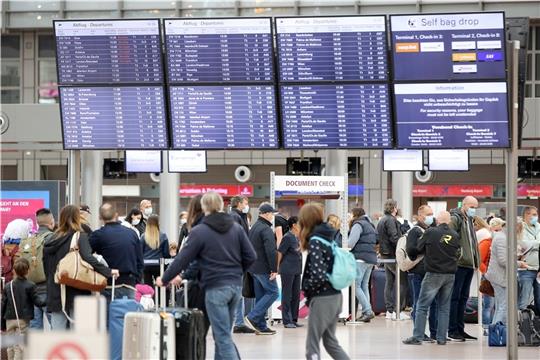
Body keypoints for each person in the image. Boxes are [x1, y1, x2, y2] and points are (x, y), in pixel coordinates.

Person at [156, 191, 257, 360]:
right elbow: (251, 256)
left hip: (215, 287)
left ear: (204, 207)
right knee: (222, 334)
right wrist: (237, 271)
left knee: (222, 337)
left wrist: (165, 278)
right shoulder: (236, 227)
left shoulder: (200, 231)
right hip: (235, 287)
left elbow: (182, 258)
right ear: (221, 205)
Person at [43, 205, 114, 329]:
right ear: (77, 217)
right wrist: (108, 272)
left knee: (57, 332)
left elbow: (46, 267)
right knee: (78, 332)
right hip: (77, 287)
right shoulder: (80, 236)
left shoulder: (51, 239)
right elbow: (88, 257)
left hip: (55, 290)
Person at [299, 203, 349, 360]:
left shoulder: (315, 240)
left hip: (322, 298)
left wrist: (308, 290)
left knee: (312, 345)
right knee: (330, 342)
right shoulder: (328, 237)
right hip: (335, 296)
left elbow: (318, 274)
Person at [402, 211, 461, 346]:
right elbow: (457, 253)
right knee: (444, 307)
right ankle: (441, 338)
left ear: (438, 220)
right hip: (450, 274)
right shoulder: (455, 235)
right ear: (449, 221)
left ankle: (417, 337)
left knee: (422, 306)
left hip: (433, 273)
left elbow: (417, 247)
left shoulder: (431, 232)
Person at [89, 203, 143, 300]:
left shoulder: (98, 235)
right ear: (116, 215)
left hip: (108, 284)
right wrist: (136, 280)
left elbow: (87, 255)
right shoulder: (132, 233)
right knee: (128, 314)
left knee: (108, 314)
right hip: (129, 284)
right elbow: (140, 261)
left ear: (100, 217)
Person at [448, 196, 480, 341]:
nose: (474, 209)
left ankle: (460, 329)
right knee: (455, 297)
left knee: (463, 298)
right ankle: (452, 329)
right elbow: (448, 238)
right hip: (460, 264)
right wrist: (458, 255)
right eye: (472, 206)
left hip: (469, 264)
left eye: (476, 207)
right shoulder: (456, 219)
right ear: (464, 205)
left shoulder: (469, 221)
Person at [244, 203, 280, 335]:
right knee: (273, 292)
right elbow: (270, 251)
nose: (272, 217)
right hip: (264, 268)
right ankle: (252, 317)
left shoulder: (254, 227)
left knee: (260, 297)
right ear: (266, 214)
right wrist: (274, 269)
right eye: (272, 214)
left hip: (254, 268)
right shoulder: (265, 229)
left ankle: (261, 326)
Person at [1, 258, 46, 360]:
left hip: (9, 319)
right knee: (19, 347)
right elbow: (38, 302)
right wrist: (49, 300)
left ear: (14, 270)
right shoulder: (31, 285)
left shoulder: (8, 286)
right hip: (22, 320)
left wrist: (2, 323)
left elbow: (3, 305)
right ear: (28, 270)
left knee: (10, 345)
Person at [406, 205, 438, 340]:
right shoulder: (415, 231)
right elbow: (411, 250)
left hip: (431, 271)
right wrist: (426, 246)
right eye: (428, 214)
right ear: (420, 216)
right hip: (418, 272)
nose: (431, 216)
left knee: (434, 303)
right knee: (419, 303)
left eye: (432, 213)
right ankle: (419, 332)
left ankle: (434, 332)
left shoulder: (432, 230)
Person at [377, 199, 410, 320]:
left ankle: (389, 310)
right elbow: (394, 237)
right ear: (394, 208)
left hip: (385, 254)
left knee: (389, 282)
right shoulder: (391, 220)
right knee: (402, 281)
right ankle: (398, 310)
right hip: (392, 255)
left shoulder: (382, 220)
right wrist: (403, 245)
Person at [228, 196, 255, 334]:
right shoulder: (234, 217)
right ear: (238, 204)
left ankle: (239, 321)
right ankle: (237, 322)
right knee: (237, 291)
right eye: (245, 203)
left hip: (240, 259)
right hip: (237, 260)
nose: (247, 205)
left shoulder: (241, 216)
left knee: (239, 291)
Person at [25, 208, 55, 329]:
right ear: (51, 222)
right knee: (56, 325)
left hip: (31, 289)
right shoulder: (53, 238)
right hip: (48, 289)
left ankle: (35, 348)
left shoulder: (30, 239)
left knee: (34, 327)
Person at [485, 217, 517, 325]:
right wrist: (518, 263)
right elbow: (503, 260)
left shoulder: (500, 237)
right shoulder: (502, 239)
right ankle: (497, 331)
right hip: (499, 277)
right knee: (503, 305)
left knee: (500, 305)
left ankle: (495, 330)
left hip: (497, 276)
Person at [348, 207, 377, 323]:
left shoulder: (358, 224)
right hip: (370, 259)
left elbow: (351, 243)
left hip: (360, 259)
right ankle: (366, 312)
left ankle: (368, 311)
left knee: (355, 285)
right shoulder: (369, 224)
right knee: (364, 286)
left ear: (355, 215)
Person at [277, 216, 302, 328]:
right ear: (294, 225)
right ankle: (287, 320)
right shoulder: (287, 237)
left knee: (296, 295)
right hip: (287, 269)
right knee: (287, 295)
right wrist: (277, 267)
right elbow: (280, 252)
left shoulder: (296, 237)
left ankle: (293, 318)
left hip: (296, 269)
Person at [517, 206, 540, 311]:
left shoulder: (539, 227)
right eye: (533, 214)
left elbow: (529, 244)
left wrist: (532, 244)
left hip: (538, 269)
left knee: (539, 300)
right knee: (524, 300)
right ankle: (521, 324)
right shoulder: (521, 227)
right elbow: (523, 244)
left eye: (536, 214)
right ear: (526, 215)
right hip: (526, 269)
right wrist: (537, 244)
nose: (536, 217)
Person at [474, 216, 494, 333]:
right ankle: (486, 327)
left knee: (492, 305)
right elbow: (479, 260)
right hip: (488, 276)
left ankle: (490, 326)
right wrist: (486, 272)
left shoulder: (485, 238)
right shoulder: (486, 242)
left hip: (493, 276)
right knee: (488, 305)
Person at [141, 215, 171, 285]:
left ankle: (150, 296)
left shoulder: (143, 236)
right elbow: (166, 253)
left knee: (147, 286)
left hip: (146, 265)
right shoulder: (163, 236)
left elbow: (140, 252)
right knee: (160, 285)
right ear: (158, 223)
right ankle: (160, 296)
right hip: (159, 265)